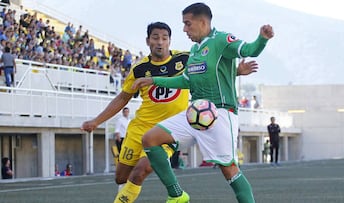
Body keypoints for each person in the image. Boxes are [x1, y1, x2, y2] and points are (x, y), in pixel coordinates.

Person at [82, 22, 257, 203]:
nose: (160, 42)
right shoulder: (139, 69)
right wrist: (96, 121)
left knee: (140, 171)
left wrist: (236, 71)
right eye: (155, 38)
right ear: (148, 41)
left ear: (169, 41)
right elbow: (122, 98)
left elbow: (210, 72)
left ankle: (174, 195)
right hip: (139, 127)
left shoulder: (185, 59)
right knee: (121, 177)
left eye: (164, 38)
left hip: (169, 130)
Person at [132, 3, 273, 202]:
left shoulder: (222, 40)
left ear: (202, 22)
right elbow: (186, 81)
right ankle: (177, 195)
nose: (184, 29)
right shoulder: (195, 50)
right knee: (150, 139)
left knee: (229, 169)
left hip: (220, 114)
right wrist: (154, 80)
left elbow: (250, 49)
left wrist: (262, 39)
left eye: (188, 24)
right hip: (195, 112)